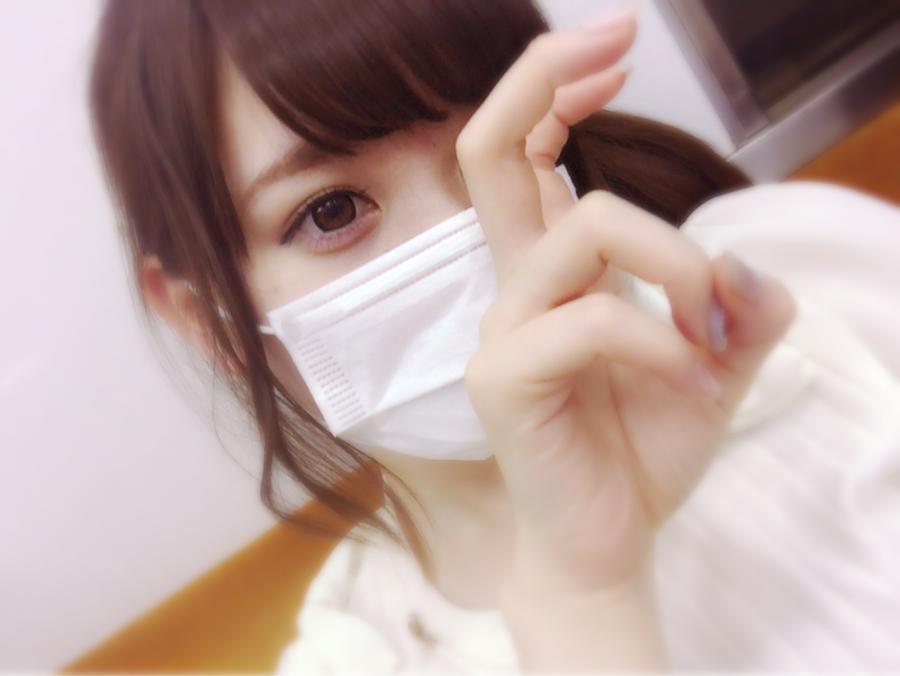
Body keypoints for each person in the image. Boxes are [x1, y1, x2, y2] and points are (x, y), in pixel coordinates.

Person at [88, 0, 900, 672]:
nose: (476, 232)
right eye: (331, 211)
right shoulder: (352, 658)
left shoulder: (793, 276)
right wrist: (587, 598)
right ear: (208, 319)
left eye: (499, 142)